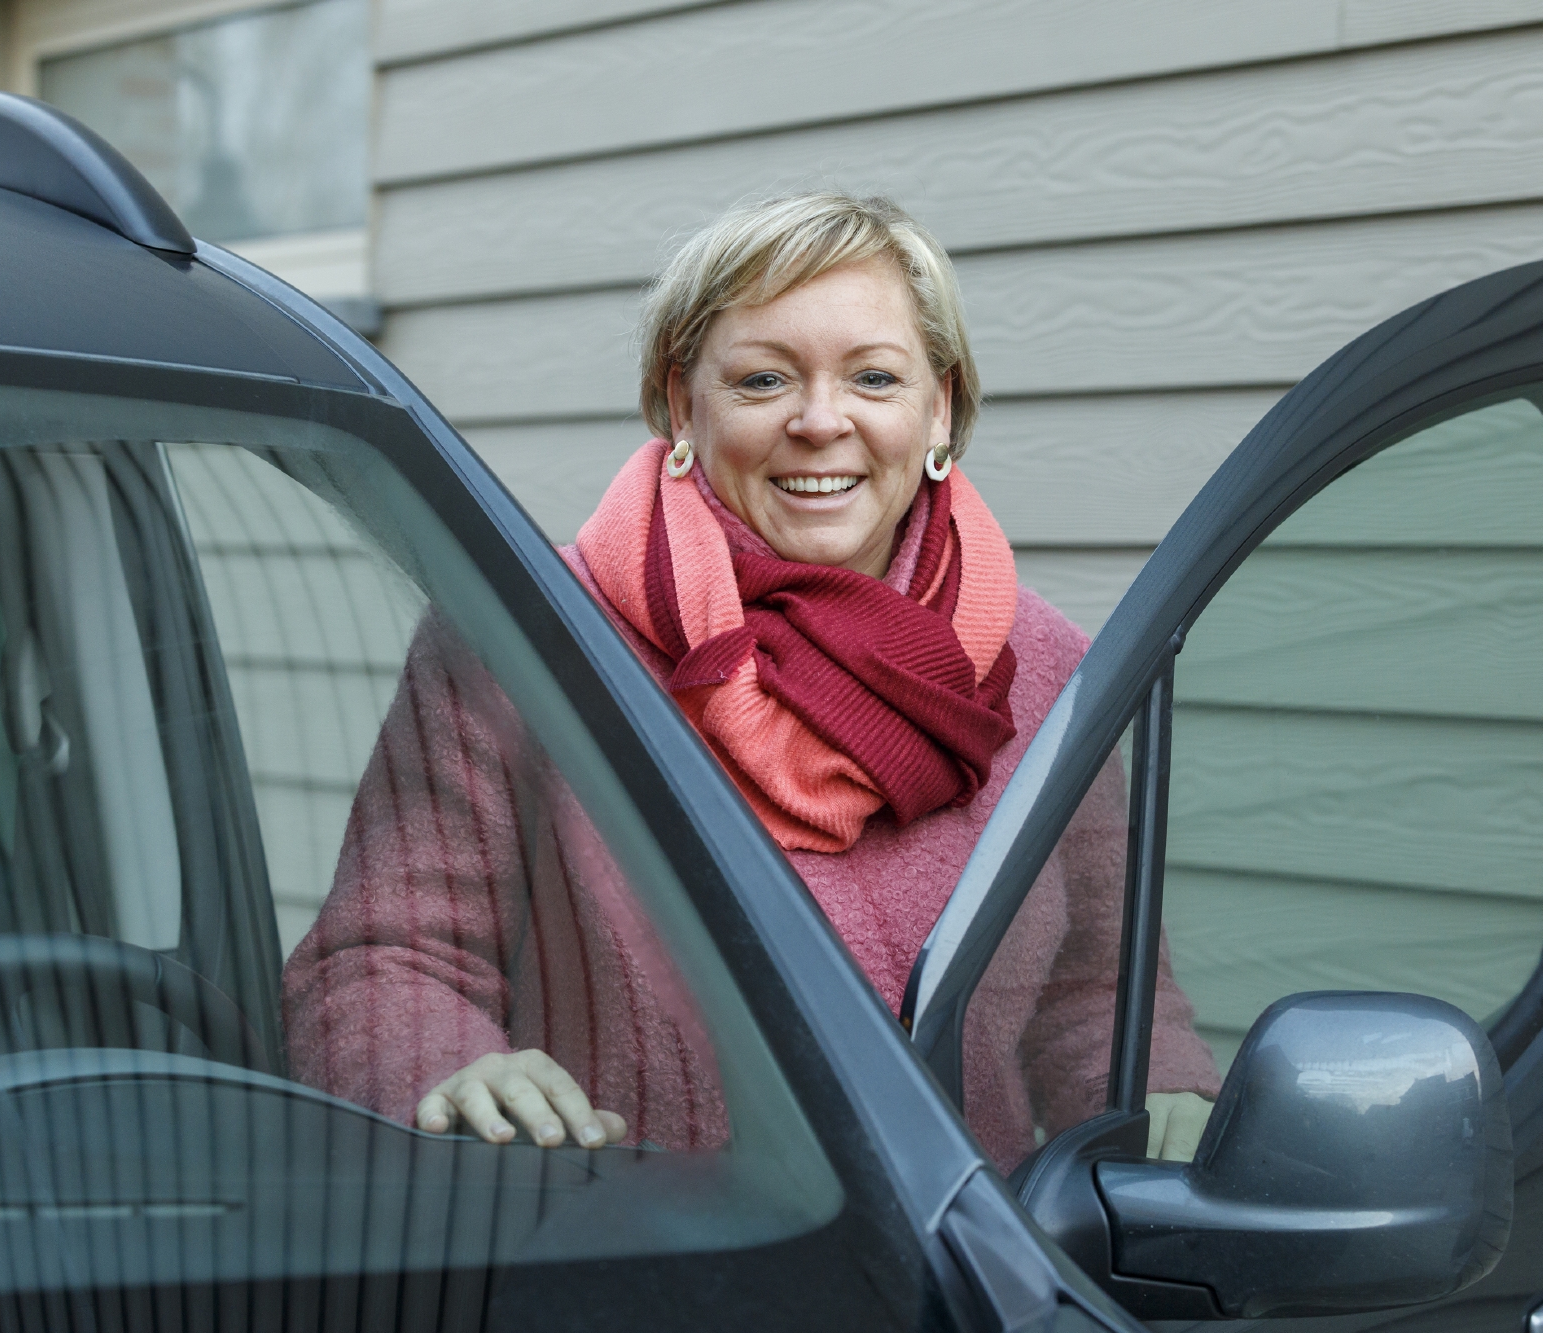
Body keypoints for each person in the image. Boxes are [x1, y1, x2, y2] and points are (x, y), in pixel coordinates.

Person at [281, 193, 1218, 1173]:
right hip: (640, 1258)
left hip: (964, 1273)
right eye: (764, 378)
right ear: (683, 402)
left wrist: (1163, 1108)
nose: (820, 422)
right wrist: (450, 1066)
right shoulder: (526, 637)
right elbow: (381, 961)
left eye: (873, 376)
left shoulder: (1050, 673)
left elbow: (1100, 996)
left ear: (937, 406)